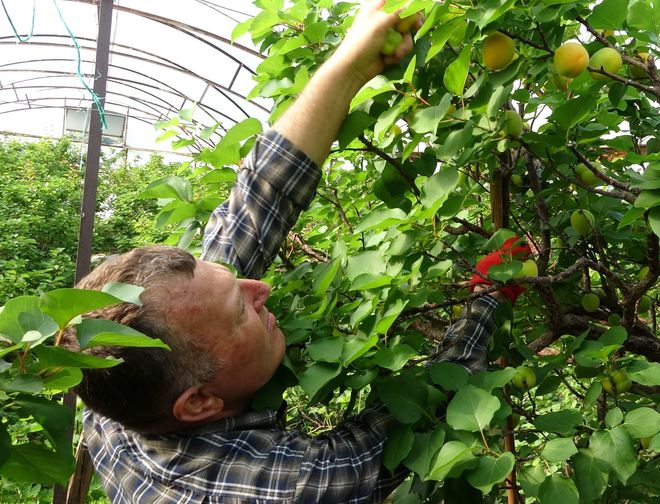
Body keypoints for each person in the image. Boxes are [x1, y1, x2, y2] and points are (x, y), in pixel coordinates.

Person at [71, 2, 521, 502]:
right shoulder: (270, 493)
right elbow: (400, 438)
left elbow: (261, 199)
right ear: (199, 402)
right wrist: (489, 299)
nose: (260, 287)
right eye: (241, 309)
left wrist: (351, 63)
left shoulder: (113, 373)